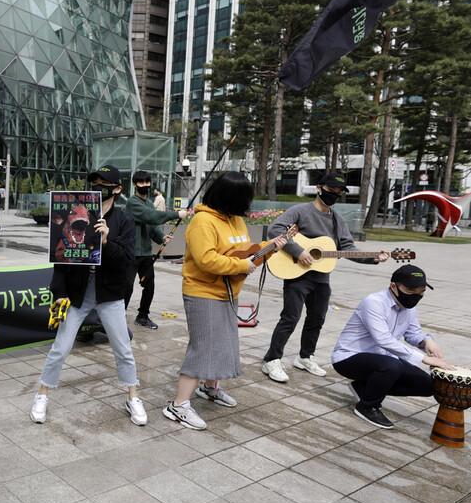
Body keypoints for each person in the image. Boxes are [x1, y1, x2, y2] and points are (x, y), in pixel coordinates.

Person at [163, 172, 287, 430]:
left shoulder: (235, 219)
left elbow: (246, 252)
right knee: (203, 347)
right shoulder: (202, 221)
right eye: (243, 201)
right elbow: (206, 260)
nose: (246, 207)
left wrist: (269, 247)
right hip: (202, 292)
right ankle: (178, 405)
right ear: (229, 198)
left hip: (227, 291)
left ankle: (210, 388)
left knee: (223, 344)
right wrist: (241, 264)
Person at [30, 165, 147, 426]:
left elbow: (128, 261)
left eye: (104, 183)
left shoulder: (124, 221)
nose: (98, 186)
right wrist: (59, 293)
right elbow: (61, 259)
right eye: (94, 181)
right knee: (60, 347)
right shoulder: (75, 214)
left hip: (110, 294)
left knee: (123, 349)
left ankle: (133, 396)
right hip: (77, 292)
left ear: (117, 189)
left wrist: (107, 242)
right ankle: (42, 394)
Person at [261, 172, 390, 383]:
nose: (334, 196)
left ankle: (304, 357)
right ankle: (272, 359)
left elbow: (348, 248)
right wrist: (298, 251)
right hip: (297, 275)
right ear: (319, 188)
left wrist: (372, 258)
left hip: (321, 278)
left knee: (317, 319)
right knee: (290, 318)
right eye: (331, 191)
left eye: (339, 193)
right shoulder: (300, 211)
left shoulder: (338, 220)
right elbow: (275, 229)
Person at [331, 265, 453, 429]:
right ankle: (367, 406)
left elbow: (413, 334)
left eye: (421, 292)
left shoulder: (409, 308)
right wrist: (423, 358)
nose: (416, 296)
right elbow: (383, 339)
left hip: (383, 360)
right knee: (391, 366)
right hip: (349, 357)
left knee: (428, 386)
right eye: (411, 290)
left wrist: (426, 342)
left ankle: (365, 387)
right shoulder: (374, 302)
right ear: (393, 286)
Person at [125, 171, 187, 329]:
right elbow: (150, 216)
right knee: (126, 286)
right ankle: (118, 315)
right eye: (141, 183)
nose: (145, 185)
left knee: (149, 285)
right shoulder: (132, 202)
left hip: (146, 253)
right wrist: (175, 214)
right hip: (131, 253)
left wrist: (161, 237)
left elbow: (153, 226)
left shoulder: (149, 203)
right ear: (134, 185)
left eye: (147, 182)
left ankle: (143, 316)